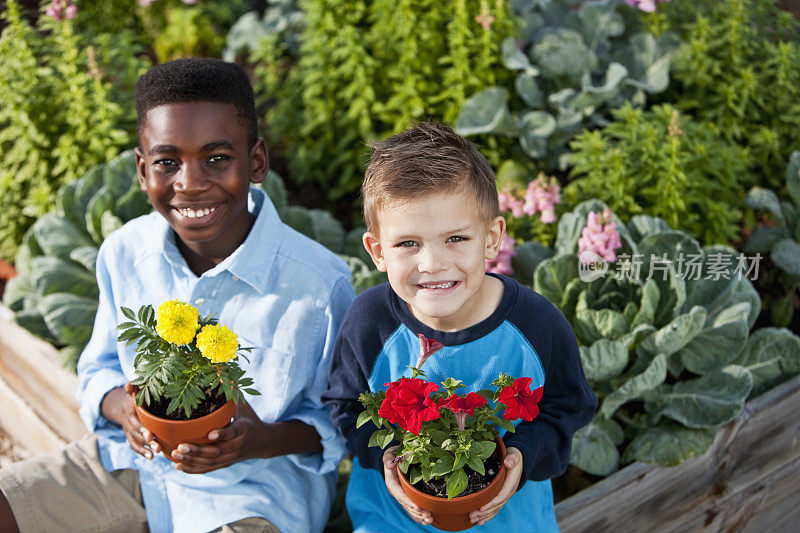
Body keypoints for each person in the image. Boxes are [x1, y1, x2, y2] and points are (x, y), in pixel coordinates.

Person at [0, 58, 355, 533]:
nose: (190, 183)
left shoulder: (317, 284)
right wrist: (121, 407)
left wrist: (257, 440)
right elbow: (100, 369)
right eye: (168, 162)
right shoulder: (125, 253)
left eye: (217, 158)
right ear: (143, 170)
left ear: (256, 161)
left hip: (252, 493)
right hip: (131, 465)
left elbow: (339, 421)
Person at [323, 122, 597, 531]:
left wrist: (521, 458)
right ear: (377, 251)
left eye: (456, 238)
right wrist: (385, 456)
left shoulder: (538, 326)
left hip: (510, 522)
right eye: (407, 243)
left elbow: (568, 408)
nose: (432, 263)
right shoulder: (369, 323)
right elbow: (344, 406)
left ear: (491, 238)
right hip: (391, 520)